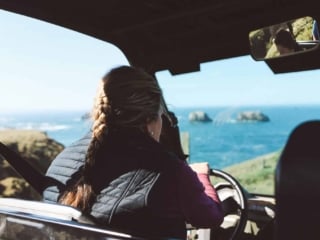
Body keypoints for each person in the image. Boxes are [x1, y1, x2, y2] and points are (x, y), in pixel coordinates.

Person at [43, 65, 223, 239]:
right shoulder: (167, 168)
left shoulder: (61, 161)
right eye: (161, 116)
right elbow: (210, 217)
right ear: (150, 118)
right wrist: (201, 176)